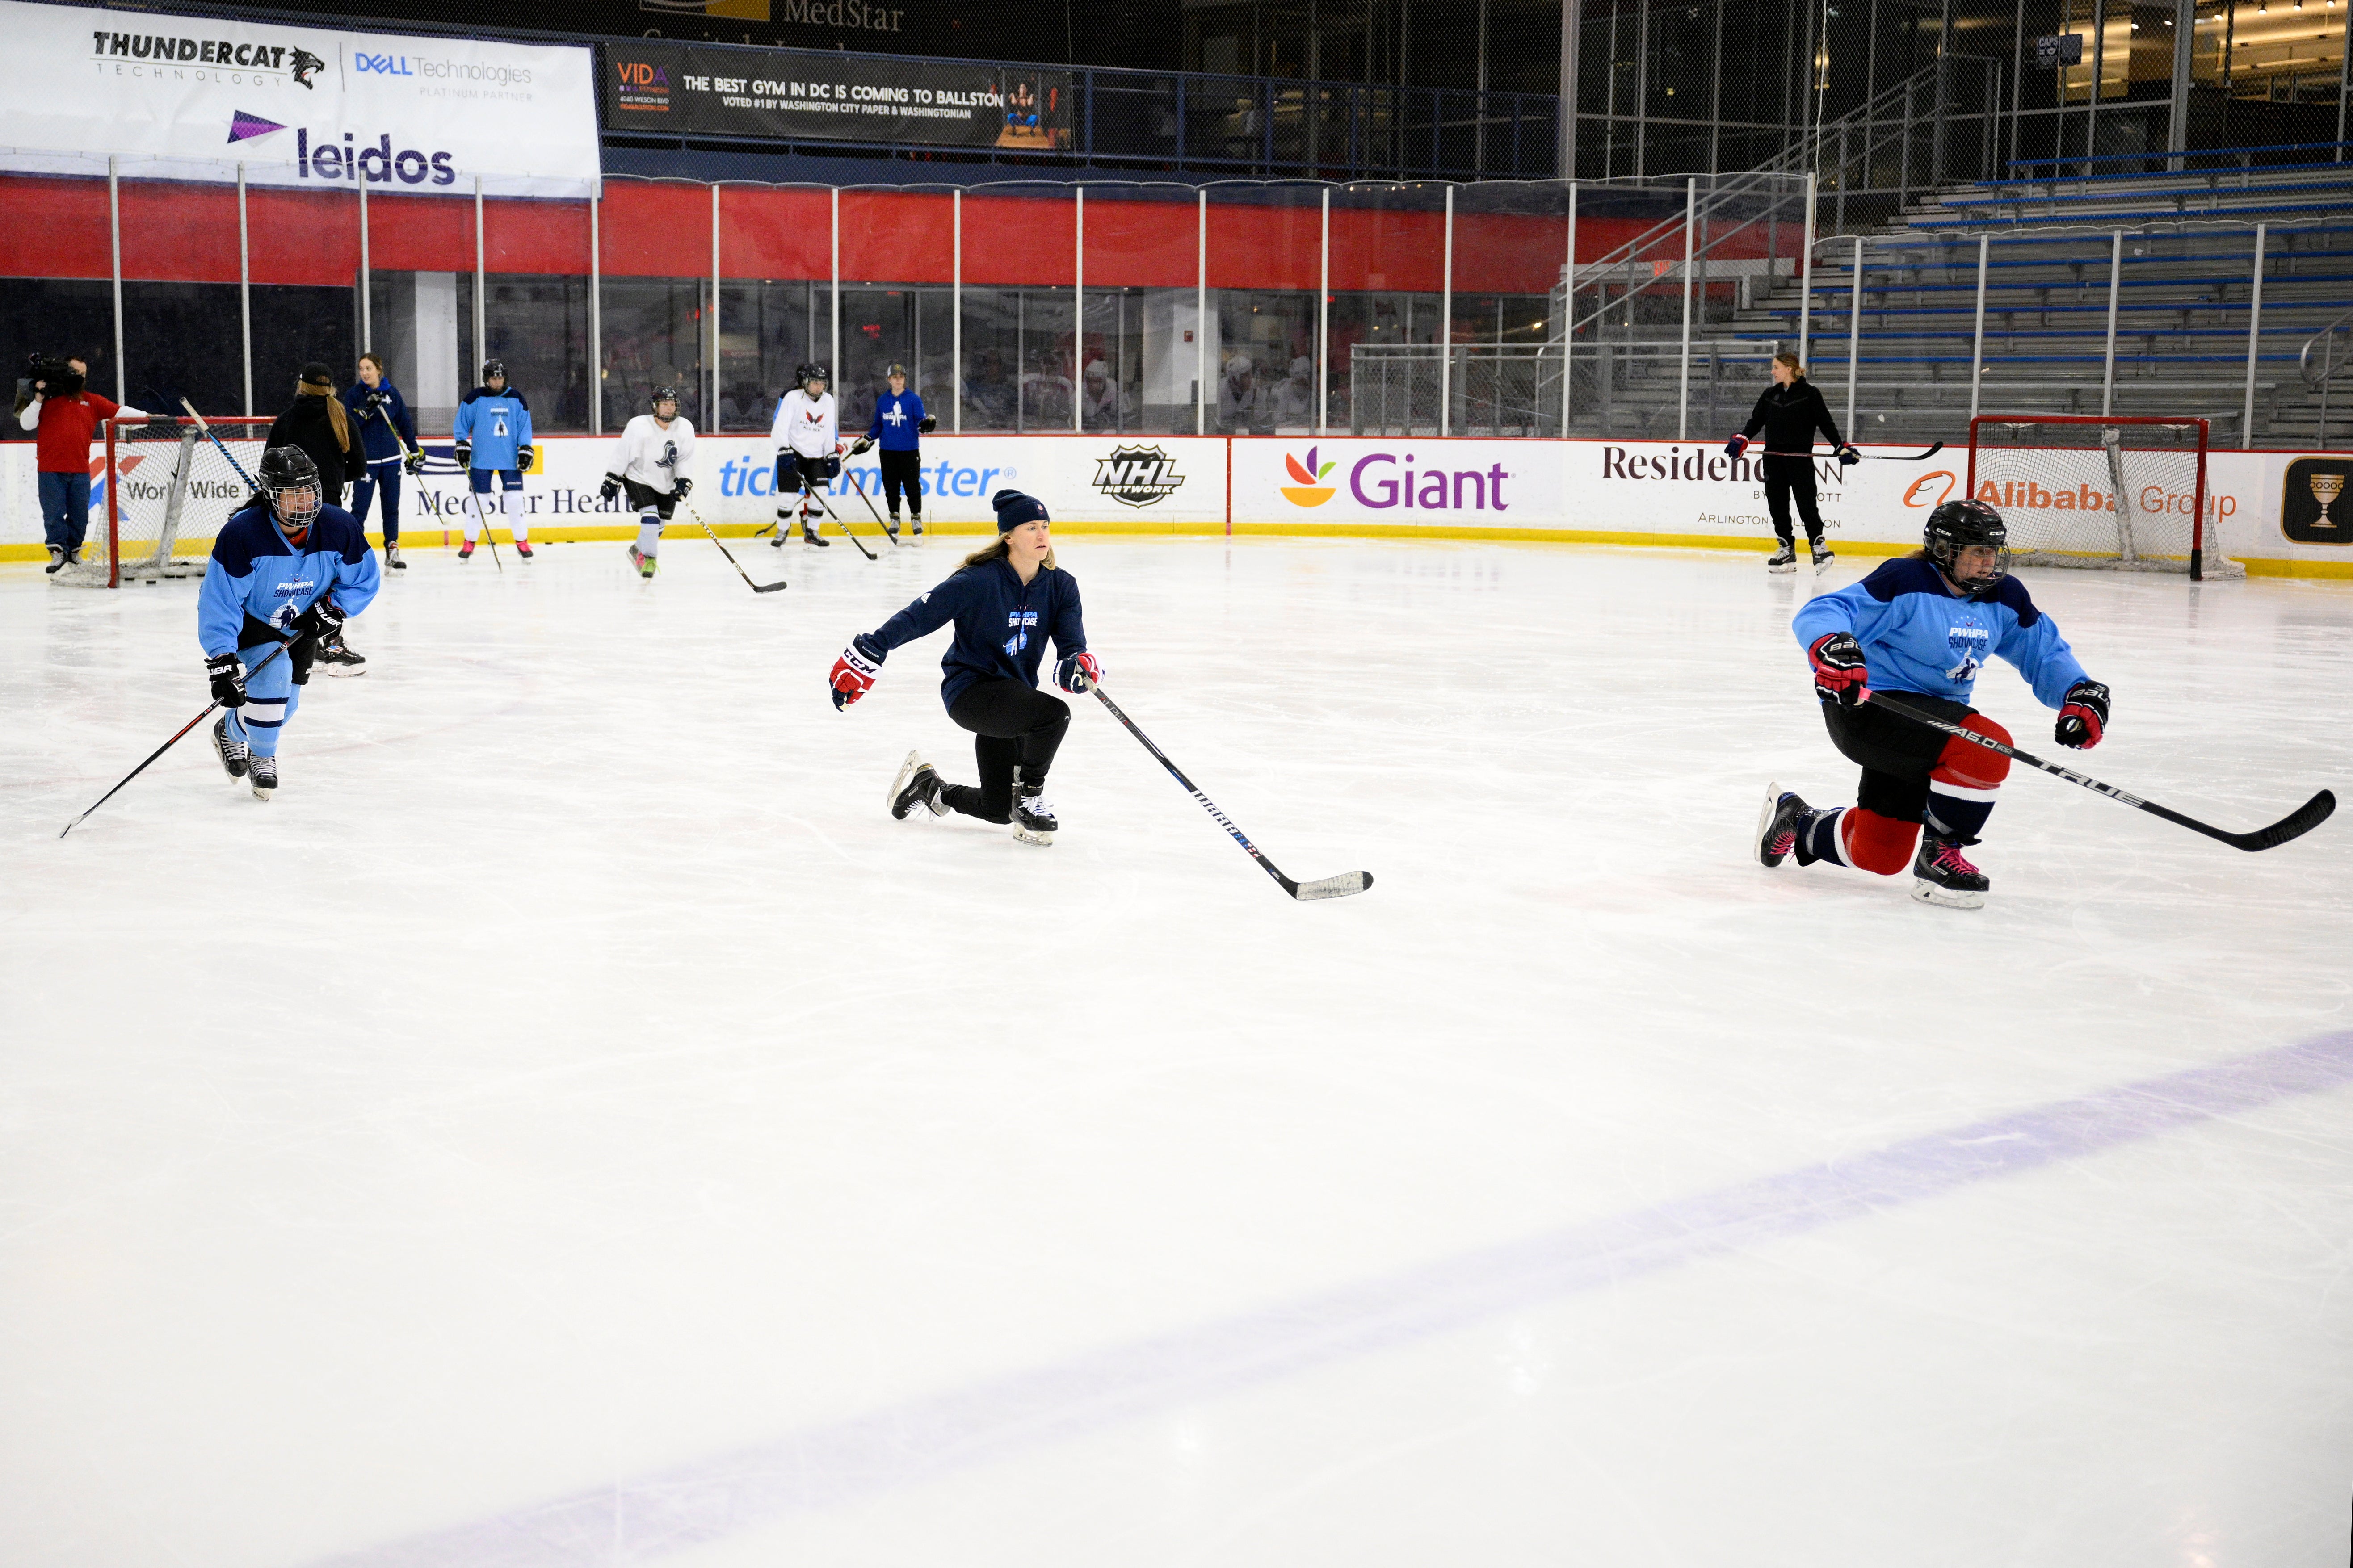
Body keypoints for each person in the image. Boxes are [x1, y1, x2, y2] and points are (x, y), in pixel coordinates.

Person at [1756, 499, 2111, 910]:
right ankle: (1941, 855)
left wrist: (2077, 691)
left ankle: (1797, 821)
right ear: (1944, 550)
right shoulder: (1907, 579)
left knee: (1880, 855)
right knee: (1985, 744)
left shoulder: (2005, 596)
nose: (1988, 562)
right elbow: (1827, 610)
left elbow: (2043, 652)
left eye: (1993, 551)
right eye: (1977, 551)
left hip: (1932, 726)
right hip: (1869, 710)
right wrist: (1833, 645)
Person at [828, 488, 1098, 848]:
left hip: (1015, 698)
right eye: (1031, 527)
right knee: (1054, 715)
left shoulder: (1062, 586)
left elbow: (1071, 645)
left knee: (1000, 808)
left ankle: (932, 788)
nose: (1042, 535)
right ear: (1009, 536)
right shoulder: (979, 580)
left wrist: (1077, 663)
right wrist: (872, 649)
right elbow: (920, 615)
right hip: (972, 693)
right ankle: (1032, 795)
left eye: (1045, 526)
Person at [198, 446, 382, 801]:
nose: (305, 501)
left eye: (310, 491)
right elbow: (219, 600)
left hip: (303, 622)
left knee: (285, 706)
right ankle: (263, 759)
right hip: (254, 622)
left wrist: (333, 609)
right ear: (271, 495)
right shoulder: (242, 534)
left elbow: (364, 580)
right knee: (274, 676)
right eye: (292, 493)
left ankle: (231, 731)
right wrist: (222, 659)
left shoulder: (338, 527)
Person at [15, 355, 150, 574]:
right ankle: (59, 552)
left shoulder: (92, 401)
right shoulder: (47, 400)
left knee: (80, 515)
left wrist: (148, 416)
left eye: (83, 374)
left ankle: (74, 553)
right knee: (54, 514)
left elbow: (119, 411)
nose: (79, 377)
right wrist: (38, 398)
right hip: (51, 471)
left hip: (80, 471)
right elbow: (26, 424)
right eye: (75, 372)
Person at [1727, 352, 1857, 574]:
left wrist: (1839, 446)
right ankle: (1787, 550)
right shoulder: (1770, 395)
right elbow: (1756, 421)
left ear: (1789, 368)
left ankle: (1819, 548)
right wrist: (1743, 438)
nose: (1773, 371)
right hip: (1773, 460)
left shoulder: (1810, 394)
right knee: (1777, 506)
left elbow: (1826, 423)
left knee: (1806, 505)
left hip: (1800, 460)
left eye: (1776, 367)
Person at [602, 385, 697, 579]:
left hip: (666, 482)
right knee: (651, 520)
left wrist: (684, 480)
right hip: (639, 477)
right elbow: (623, 453)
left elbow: (684, 459)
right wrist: (613, 478)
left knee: (657, 528)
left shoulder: (685, 427)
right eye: (665, 404)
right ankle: (650, 559)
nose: (669, 408)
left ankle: (637, 549)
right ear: (655, 406)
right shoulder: (638, 426)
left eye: (672, 404)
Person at [341, 352, 423, 572]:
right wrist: (366, 410)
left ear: (379, 369)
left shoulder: (392, 394)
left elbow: (405, 424)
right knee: (360, 509)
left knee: (391, 508)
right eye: (361, 369)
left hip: (391, 461)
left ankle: (392, 549)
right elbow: (348, 427)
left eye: (368, 368)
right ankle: (353, 552)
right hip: (365, 462)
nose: (364, 373)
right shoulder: (354, 395)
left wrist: (415, 453)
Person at [453, 359, 536, 561]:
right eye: (493, 377)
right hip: (481, 459)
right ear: (486, 379)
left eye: (500, 377)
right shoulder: (475, 398)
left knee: (515, 500)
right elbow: (461, 423)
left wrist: (526, 447)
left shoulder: (516, 398)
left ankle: (522, 541)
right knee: (478, 501)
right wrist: (461, 444)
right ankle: (470, 541)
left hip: (510, 459)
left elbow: (525, 425)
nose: (497, 381)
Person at [849, 361, 933, 538]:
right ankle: (894, 517)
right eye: (895, 377)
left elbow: (920, 422)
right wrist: (868, 438)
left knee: (912, 486)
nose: (898, 380)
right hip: (887, 451)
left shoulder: (913, 400)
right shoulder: (883, 401)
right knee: (891, 486)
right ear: (889, 380)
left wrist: (925, 426)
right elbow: (879, 425)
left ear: (904, 379)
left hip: (909, 450)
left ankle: (915, 517)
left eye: (901, 377)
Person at [266, 364, 358, 509]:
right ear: (331, 388)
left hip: (292, 499)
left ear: (302, 386)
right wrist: (332, 480)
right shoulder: (343, 420)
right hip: (330, 499)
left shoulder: (285, 420)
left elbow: (270, 463)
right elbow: (358, 467)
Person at [770, 361, 840, 549]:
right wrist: (784, 450)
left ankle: (812, 532)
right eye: (814, 382)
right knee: (787, 496)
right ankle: (783, 530)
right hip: (794, 452)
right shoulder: (792, 398)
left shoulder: (828, 401)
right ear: (805, 382)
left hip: (817, 455)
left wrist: (831, 453)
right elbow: (779, 428)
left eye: (822, 383)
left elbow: (828, 431)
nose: (819, 387)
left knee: (822, 492)